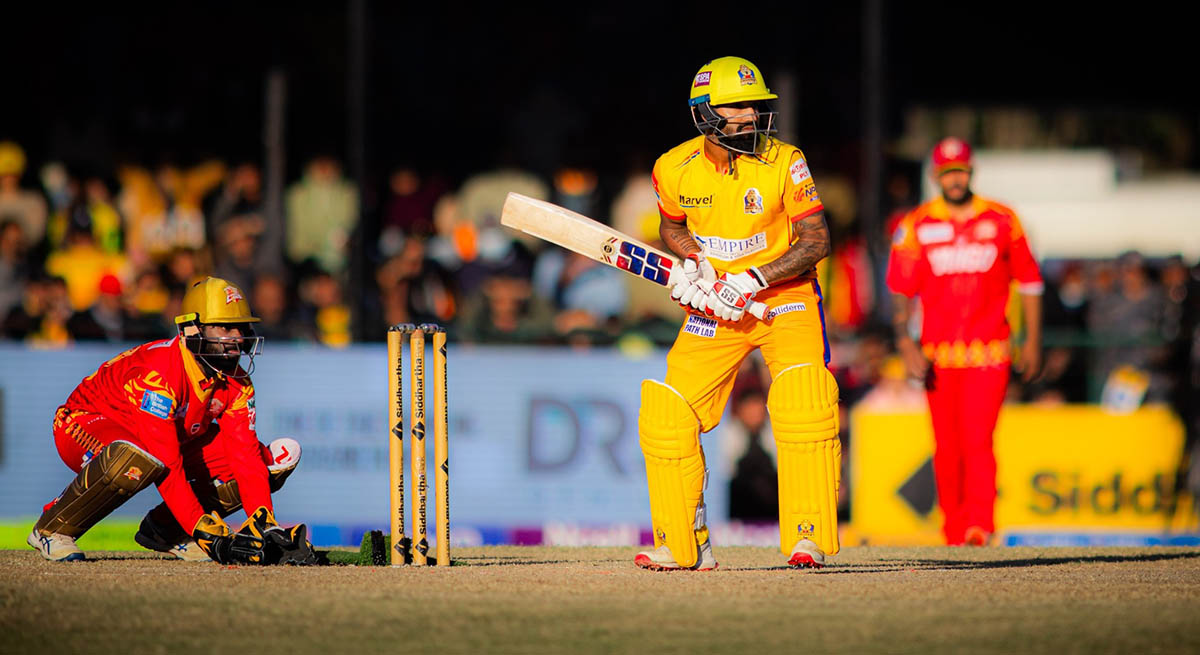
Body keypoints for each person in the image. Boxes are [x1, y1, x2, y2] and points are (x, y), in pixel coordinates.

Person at [632, 57, 837, 571]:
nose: (750, 115)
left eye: (755, 105)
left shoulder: (784, 160)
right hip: (718, 306)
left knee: (803, 398)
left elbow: (816, 241)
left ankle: (807, 537)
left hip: (784, 297)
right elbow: (672, 226)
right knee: (669, 411)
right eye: (737, 106)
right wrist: (694, 263)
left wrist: (754, 279)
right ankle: (685, 544)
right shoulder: (673, 167)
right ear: (704, 112)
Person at [27, 276, 316, 565]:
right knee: (136, 457)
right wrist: (202, 529)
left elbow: (245, 456)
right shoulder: (160, 373)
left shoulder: (237, 381)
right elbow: (167, 461)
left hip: (166, 438)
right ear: (192, 330)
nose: (237, 338)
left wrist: (264, 522)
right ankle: (52, 528)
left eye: (240, 328)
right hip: (83, 423)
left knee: (274, 460)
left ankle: (166, 531)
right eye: (224, 327)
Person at [886, 137, 1044, 546]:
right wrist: (905, 344)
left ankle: (980, 525)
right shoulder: (917, 224)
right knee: (946, 445)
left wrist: (1033, 341)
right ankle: (952, 529)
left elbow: (1030, 281)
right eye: (947, 172)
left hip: (989, 351)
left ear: (972, 172)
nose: (955, 179)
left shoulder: (1003, 219)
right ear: (936, 176)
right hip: (937, 355)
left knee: (978, 439)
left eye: (961, 171)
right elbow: (900, 289)